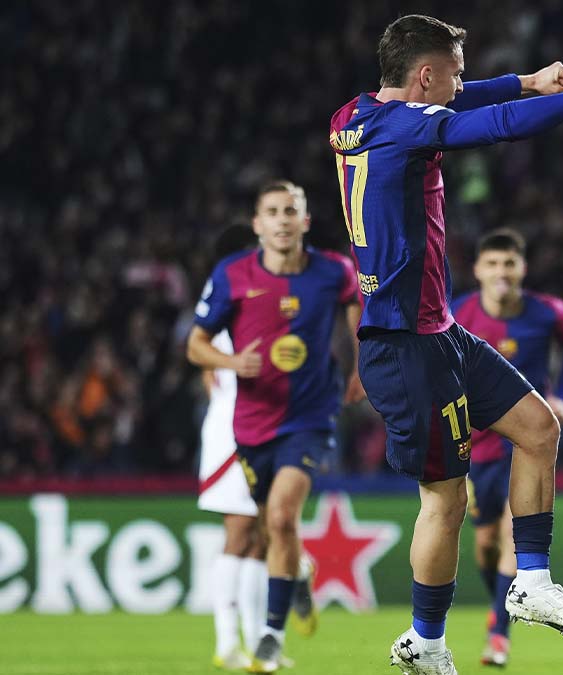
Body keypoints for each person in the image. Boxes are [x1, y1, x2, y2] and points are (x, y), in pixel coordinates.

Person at [328, 13, 563, 674]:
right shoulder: (410, 129)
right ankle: (427, 641)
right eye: (455, 70)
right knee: (447, 500)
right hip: (405, 345)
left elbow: (459, 103)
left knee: (538, 428)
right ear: (424, 76)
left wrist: (525, 80)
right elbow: (490, 125)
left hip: (439, 331)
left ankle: (530, 579)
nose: (462, 82)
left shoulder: (353, 116)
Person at [187, 181, 365, 673]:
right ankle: (297, 573)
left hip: (309, 418)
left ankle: (263, 635)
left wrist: (359, 364)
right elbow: (197, 346)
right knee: (265, 530)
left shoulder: (332, 271)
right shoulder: (232, 277)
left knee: (273, 521)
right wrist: (228, 361)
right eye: (273, 212)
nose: (283, 220)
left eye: (292, 211)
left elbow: (356, 304)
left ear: (304, 221)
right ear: (258, 224)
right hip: (245, 424)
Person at [450, 228, 563, 667]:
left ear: (522, 268)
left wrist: (562, 394)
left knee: (514, 534)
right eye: (492, 264)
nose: (501, 272)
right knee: (486, 543)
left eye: (508, 263)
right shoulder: (459, 314)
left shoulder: (547, 313)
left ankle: (497, 633)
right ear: (477, 270)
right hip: (478, 447)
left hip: (525, 441)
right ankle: (502, 605)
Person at [196, 224, 270, 670]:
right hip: (235, 431)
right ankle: (227, 640)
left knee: (260, 536)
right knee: (241, 533)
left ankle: (259, 639)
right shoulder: (234, 297)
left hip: (256, 424)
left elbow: (206, 373)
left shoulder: (225, 300)